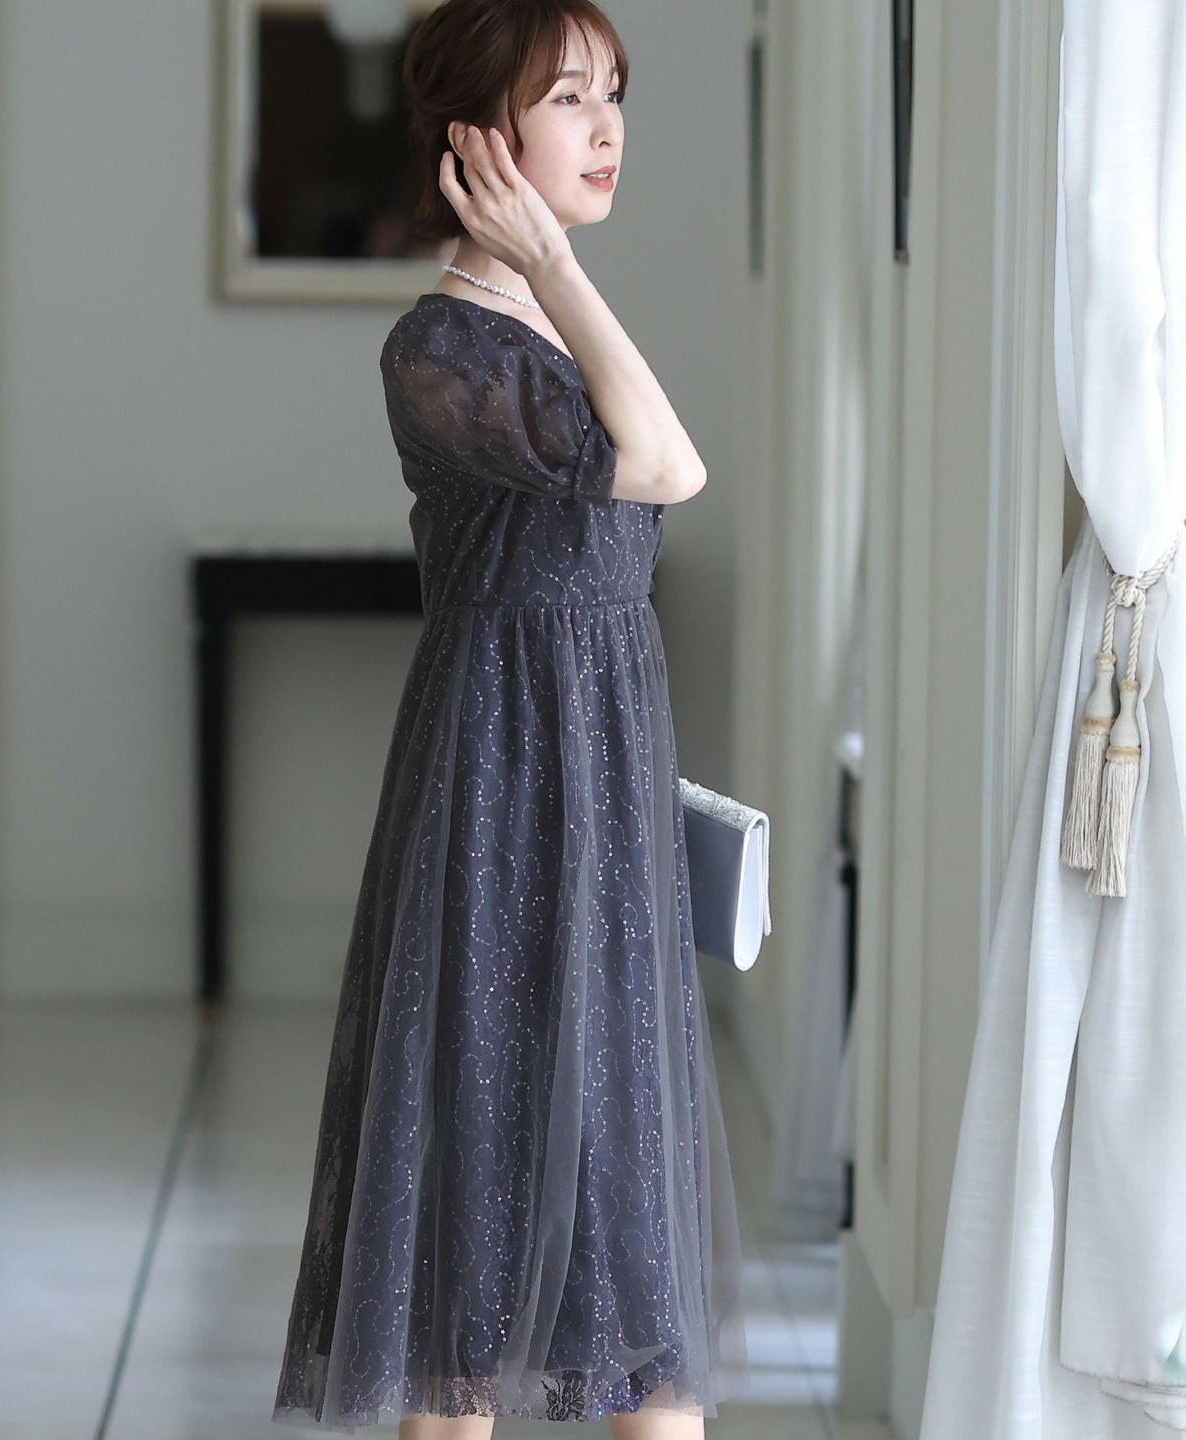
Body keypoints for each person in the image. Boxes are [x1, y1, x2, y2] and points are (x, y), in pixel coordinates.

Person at [272, 2, 748, 1434]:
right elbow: (667, 468)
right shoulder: (441, 348)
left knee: (627, 1197)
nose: (608, 130)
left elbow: (657, 457)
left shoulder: (552, 320)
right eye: (569, 98)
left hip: (606, 759)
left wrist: (558, 276)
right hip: (501, 778)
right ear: (480, 137)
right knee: (477, 1203)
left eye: (616, 95)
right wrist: (551, 261)